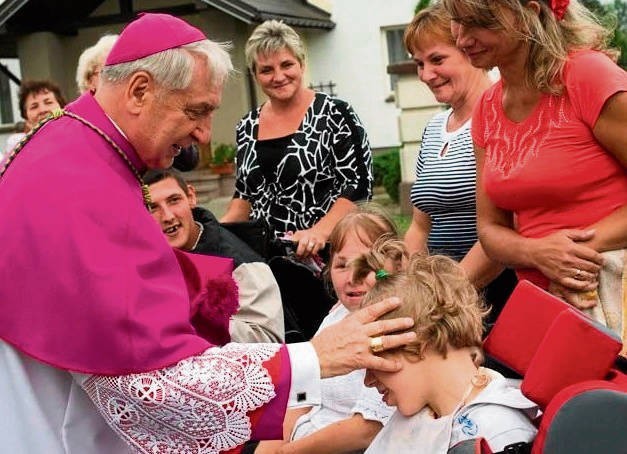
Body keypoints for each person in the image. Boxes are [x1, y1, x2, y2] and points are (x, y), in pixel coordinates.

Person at [0, 13, 417, 453]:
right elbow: (154, 384)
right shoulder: (86, 183)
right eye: (196, 111)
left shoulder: (70, 148)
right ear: (140, 90)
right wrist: (316, 358)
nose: (202, 134)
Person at [442, 0, 627, 342]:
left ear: (530, 11)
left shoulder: (586, 75)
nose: (463, 38)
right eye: (457, 21)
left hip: (611, 300)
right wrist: (537, 253)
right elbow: (490, 229)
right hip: (548, 308)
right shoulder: (487, 107)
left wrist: (573, 252)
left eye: (480, 22)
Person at [355, 239, 538, 453]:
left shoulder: (498, 431)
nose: (368, 380)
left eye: (375, 356)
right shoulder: (422, 413)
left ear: (421, 341)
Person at [402, 3, 516, 323]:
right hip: (440, 301)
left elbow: (506, 226)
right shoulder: (435, 127)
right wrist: (411, 286)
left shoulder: (504, 114)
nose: (426, 74)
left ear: (470, 48)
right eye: (419, 64)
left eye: (437, 59)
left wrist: (447, 293)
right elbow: (419, 226)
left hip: (492, 298)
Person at [221, 20, 373, 258]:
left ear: (302, 64)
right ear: (255, 74)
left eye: (286, 64)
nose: (278, 76)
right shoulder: (247, 126)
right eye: (266, 70)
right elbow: (244, 195)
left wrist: (319, 233)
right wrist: (214, 234)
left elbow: (358, 186)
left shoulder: (336, 113)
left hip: (330, 255)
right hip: (267, 260)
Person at [256, 205, 397, 454]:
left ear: (394, 266)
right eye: (341, 265)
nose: (352, 277)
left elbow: (367, 428)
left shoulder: (394, 327)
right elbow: (300, 397)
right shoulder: (335, 318)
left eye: (367, 264)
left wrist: (286, 452)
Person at [144, 167, 285, 343]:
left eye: (174, 200)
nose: (167, 216)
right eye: (152, 208)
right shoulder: (142, 261)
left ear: (191, 197)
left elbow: (268, 340)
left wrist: (204, 317)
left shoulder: (241, 263)